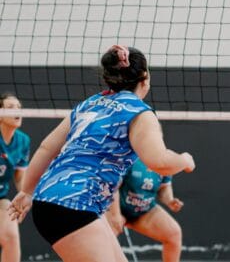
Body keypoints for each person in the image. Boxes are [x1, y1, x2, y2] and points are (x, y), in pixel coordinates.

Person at [7, 45, 195, 261]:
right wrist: (185, 160)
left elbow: (47, 148)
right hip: (74, 205)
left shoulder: (90, 104)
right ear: (145, 78)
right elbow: (160, 162)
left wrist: (28, 191)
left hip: (54, 202)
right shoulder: (139, 112)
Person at [106, 159, 185, 262]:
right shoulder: (129, 158)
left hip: (144, 211)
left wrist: (170, 200)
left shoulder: (164, 160)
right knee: (105, 240)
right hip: (115, 208)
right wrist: (115, 215)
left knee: (174, 233)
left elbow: (164, 188)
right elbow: (113, 187)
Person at [0, 93, 29, 262]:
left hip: (1, 197)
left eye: (19, 107)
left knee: (11, 236)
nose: (16, 110)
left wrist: (26, 195)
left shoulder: (23, 141)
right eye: (10, 107)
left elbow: (19, 178)